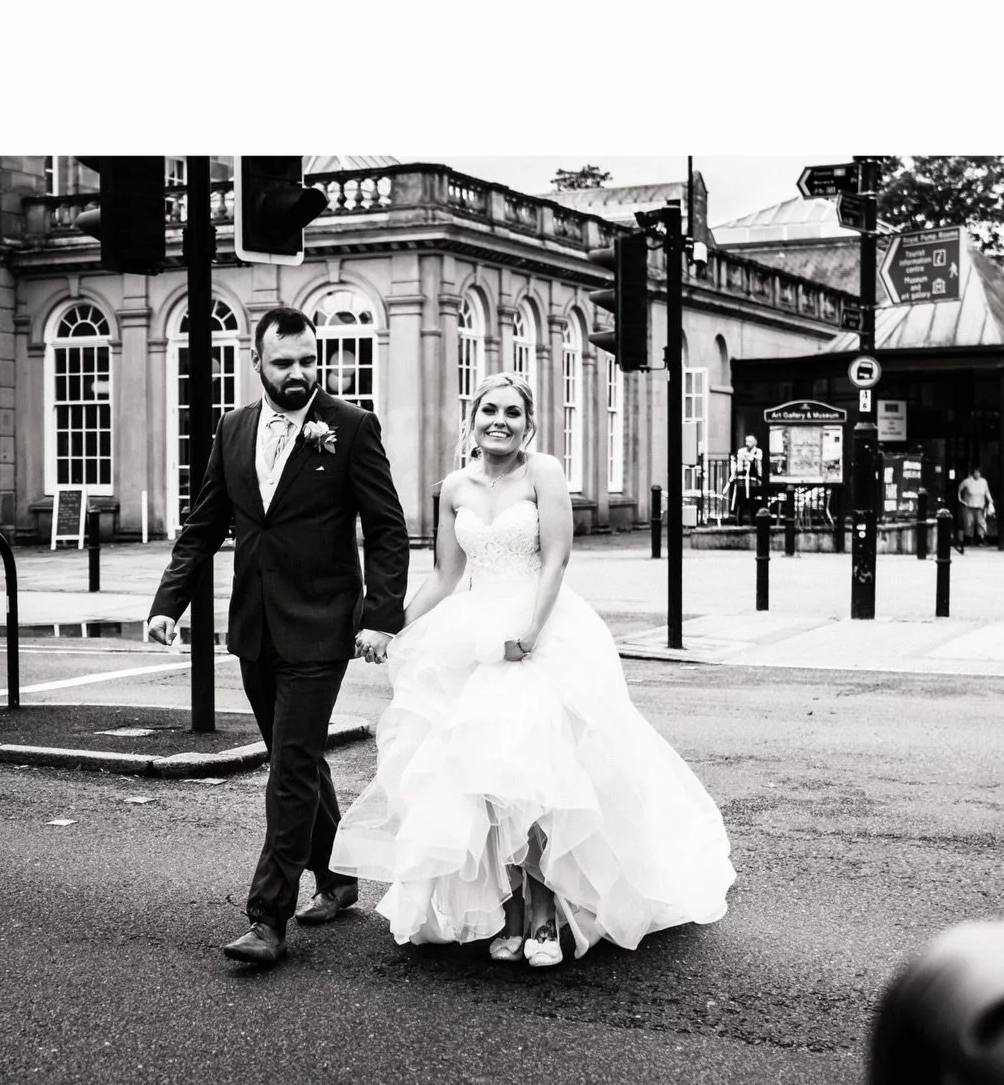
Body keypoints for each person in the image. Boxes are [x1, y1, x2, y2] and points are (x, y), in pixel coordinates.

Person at [330, 372, 734, 967]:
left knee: (536, 774)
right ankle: (510, 908)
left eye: (512, 413)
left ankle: (544, 911)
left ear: (529, 423)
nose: (500, 420)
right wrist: (393, 626)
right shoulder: (453, 489)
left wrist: (531, 632)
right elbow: (445, 576)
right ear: (471, 418)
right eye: (489, 410)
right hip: (472, 632)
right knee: (483, 778)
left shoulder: (543, 472)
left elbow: (557, 559)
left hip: (539, 632)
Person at [147, 309, 409, 966]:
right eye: (284, 362)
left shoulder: (349, 428)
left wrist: (382, 613)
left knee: (289, 768)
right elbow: (205, 523)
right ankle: (340, 876)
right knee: (297, 757)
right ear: (256, 363)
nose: (299, 373)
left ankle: (267, 918)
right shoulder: (232, 429)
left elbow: (386, 527)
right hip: (254, 626)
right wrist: (168, 603)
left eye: (308, 360)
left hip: (322, 625)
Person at [957, 464, 995, 544]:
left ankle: (980, 538)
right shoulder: (967, 481)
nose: (977, 474)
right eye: (976, 472)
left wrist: (990, 500)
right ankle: (968, 538)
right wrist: (960, 500)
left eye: (979, 472)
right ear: (973, 473)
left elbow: (986, 492)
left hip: (980, 506)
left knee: (981, 523)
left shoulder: (983, 482)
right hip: (969, 506)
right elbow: (959, 490)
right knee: (968, 523)